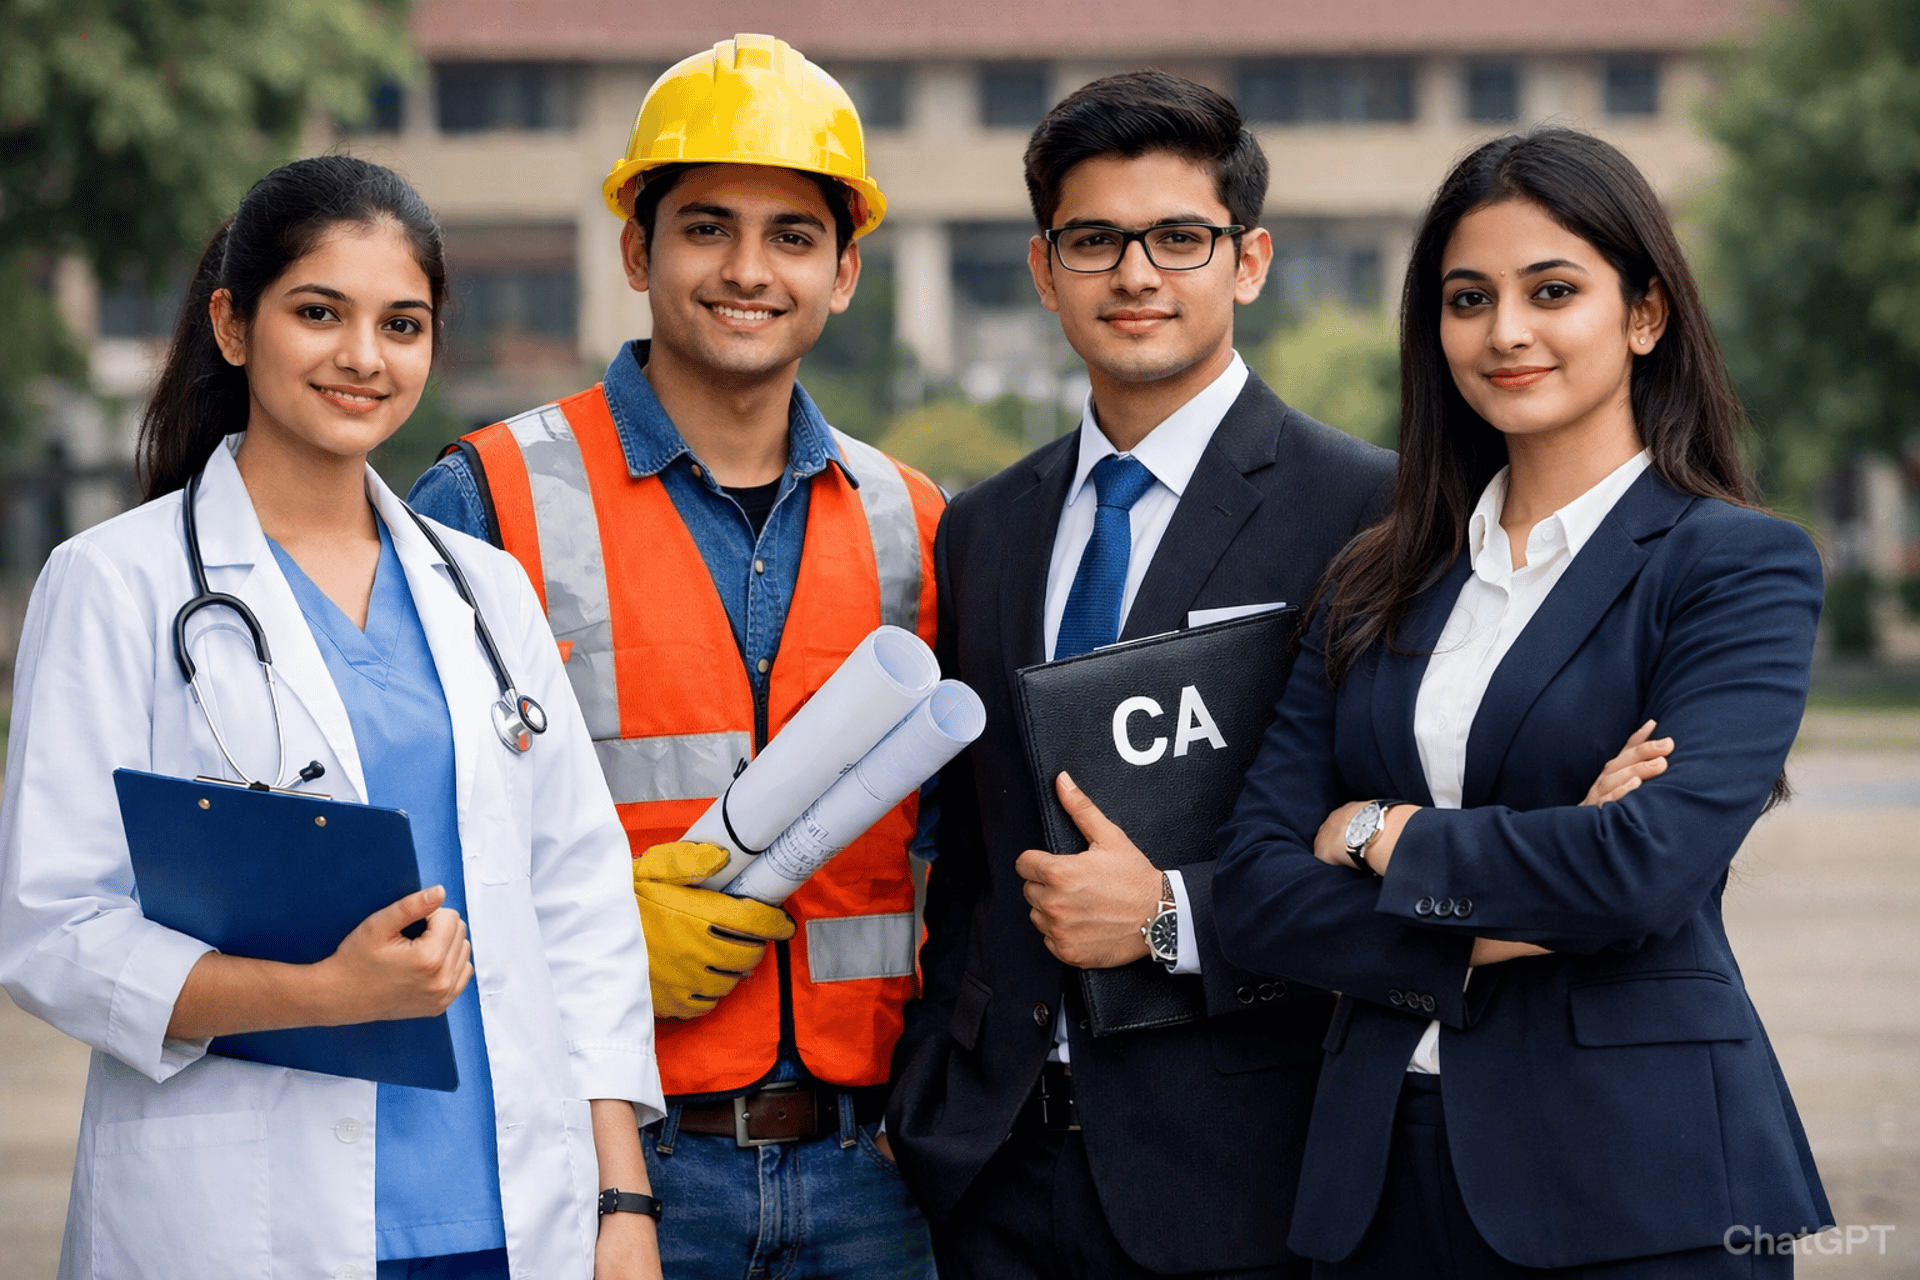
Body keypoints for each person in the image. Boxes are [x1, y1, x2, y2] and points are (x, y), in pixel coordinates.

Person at [0, 156, 665, 1280]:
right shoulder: (115, 582)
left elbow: (580, 915)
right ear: (231, 323)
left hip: (511, 1217)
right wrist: (322, 998)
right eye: (320, 312)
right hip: (245, 1220)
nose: (364, 356)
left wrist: (624, 1203)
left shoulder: (483, 590)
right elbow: (55, 928)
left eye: (401, 323)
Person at [1211, 128, 1833, 1278]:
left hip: (1636, 1176)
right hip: (1377, 1167)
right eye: (1467, 297)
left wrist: (1373, 831)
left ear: (1644, 315)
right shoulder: (1375, 575)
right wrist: (1537, 882)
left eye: (1553, 290)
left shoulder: (1734, 566)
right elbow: (1255, 892)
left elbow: (1643, 868)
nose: (1506, 331)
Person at [409, 34, 944, 1280]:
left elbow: (949, 856)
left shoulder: (912, 520)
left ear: (847, 271)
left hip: (875, 1177)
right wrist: (579, 941)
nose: (748, 270)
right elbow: (411, 835)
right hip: (614, 1164)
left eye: (793, 235)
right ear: (638, 250)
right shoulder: (489, 495)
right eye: (706, 226)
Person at [885, 71, 1395, 1279]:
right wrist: (937, 1093)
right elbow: (968, 844)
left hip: (1238, 1177)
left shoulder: (1366, 509)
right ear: (1042, 266)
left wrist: (1175, 917)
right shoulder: (986, 526)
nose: (1136, 273)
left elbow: (1382, 845)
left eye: (1180, 237)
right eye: (1095, 239)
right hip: (992, 1166)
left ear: (1250, 260)